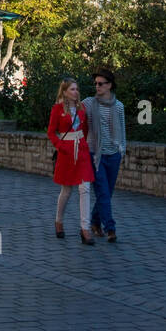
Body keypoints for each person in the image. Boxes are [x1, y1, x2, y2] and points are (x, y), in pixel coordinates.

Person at [47, 77, 95, 245]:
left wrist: (86, 146)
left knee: (85, 188)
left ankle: (85, 228)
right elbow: (51, 132)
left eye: (77, 89)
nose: (76, 92)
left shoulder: (81, 108)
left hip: (81, 150)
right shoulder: (57, 109)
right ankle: (59, 221)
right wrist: (60, 146)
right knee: (66, 191)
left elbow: (85, 128)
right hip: (67, 151)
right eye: (72, 89)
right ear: (65, 92)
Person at [83, 66, 127, 243]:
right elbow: (73, 112)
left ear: (110, 85)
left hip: (113, 154)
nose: (97, 87)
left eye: (101, 84)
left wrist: (121, 149)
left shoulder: (118, 107)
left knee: (107, 194)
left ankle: (94, 222)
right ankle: (110, 228)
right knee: (102, 192)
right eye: (95, 84)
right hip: (95, 155)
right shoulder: (88, 103)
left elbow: (122, 130)